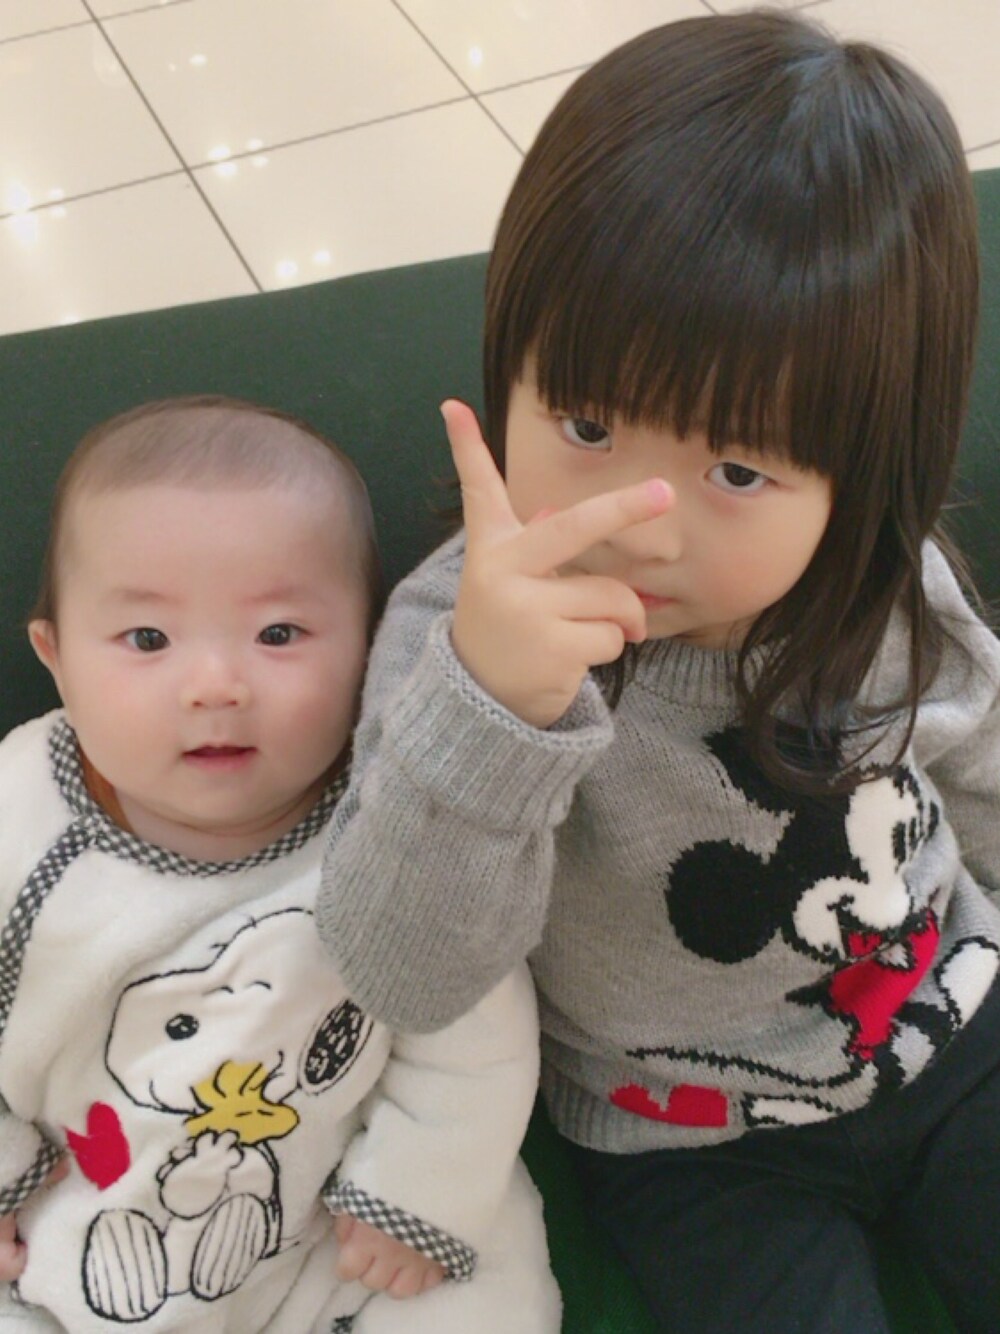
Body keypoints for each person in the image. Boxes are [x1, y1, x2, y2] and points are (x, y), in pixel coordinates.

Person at [316, 10, 1000, 1332]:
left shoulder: (882, 573)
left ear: (867, 471)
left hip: (957, 1029)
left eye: (735, 468)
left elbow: (979, 755)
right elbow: (401, 971)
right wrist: (494, 710)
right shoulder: (460, 637)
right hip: (691, 1146)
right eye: (583, 422)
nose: (637, 517)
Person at [0, 397, 559, 1333]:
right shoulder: (19, 815)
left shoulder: (398, 815)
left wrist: (416, 1195)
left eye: (279, 635)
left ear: (371, 648)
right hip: (84, 1224)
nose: (216, 685)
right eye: (148, 640)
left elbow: (472, 1029)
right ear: (55, 658)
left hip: (352, 1228)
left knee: (482, 1297)